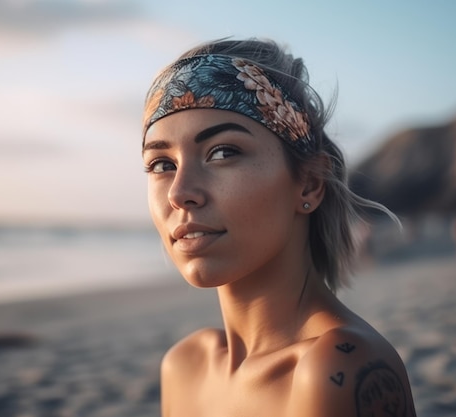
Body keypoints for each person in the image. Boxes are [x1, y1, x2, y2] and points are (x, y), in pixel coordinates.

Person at [141, 38, 417, 417]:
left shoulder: (337, 369)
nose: (180, 192)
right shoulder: (184, 366)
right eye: (161, 164)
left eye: (223, 152)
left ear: (309, 183)